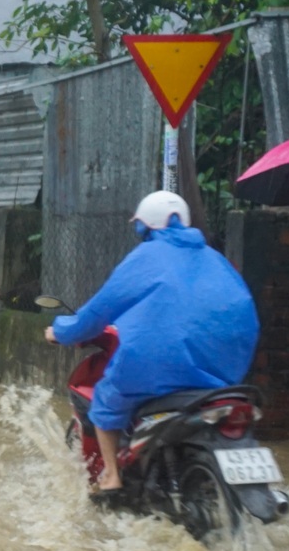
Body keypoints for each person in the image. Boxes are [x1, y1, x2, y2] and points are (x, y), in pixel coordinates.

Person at [45, 191, 259, 499]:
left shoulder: (146, 257)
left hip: (165, 366)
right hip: (224, 372)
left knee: (107, 399)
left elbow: (97, 313)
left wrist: (60, 331)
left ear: (146, 226)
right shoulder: (216, 258)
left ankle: (112, 477)